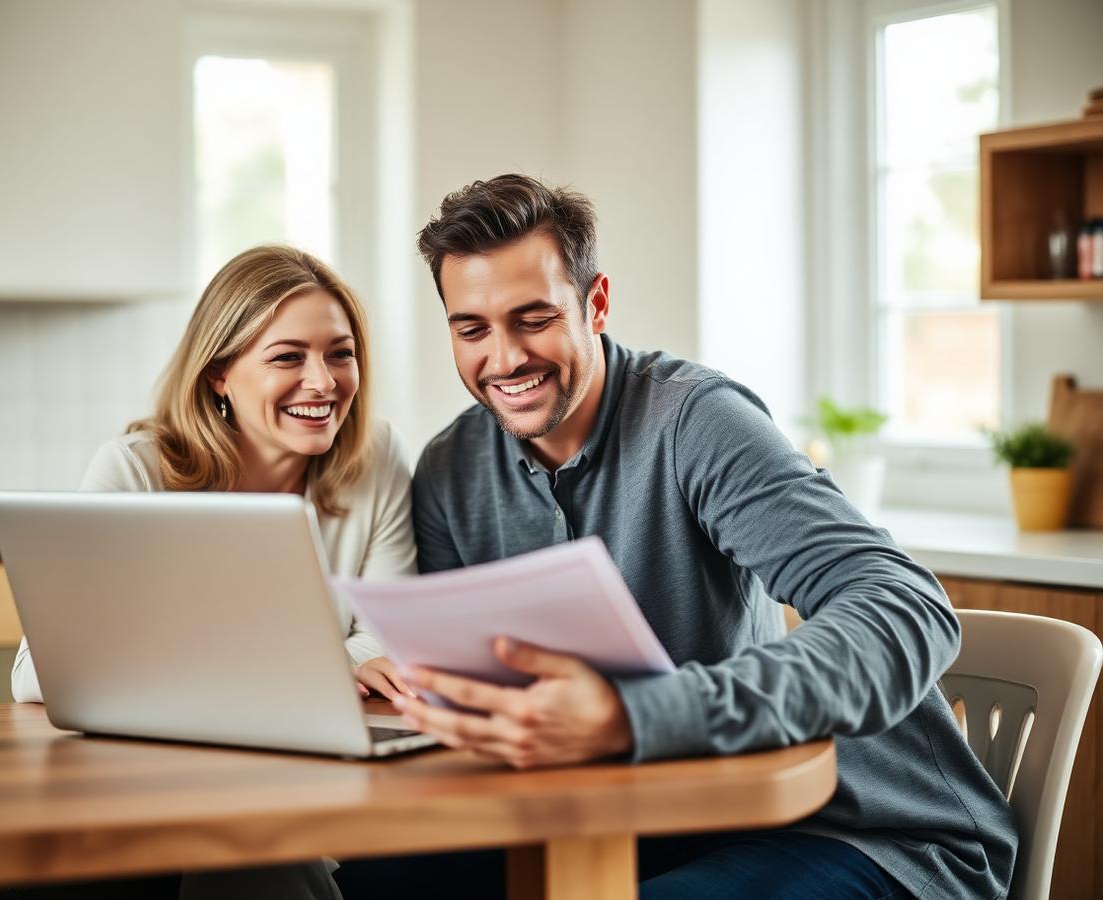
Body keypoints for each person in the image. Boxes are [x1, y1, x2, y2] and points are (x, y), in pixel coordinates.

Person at [340, 175, 1018, 899]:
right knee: (378, 879)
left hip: (859, 829)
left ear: (596, 304)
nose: (503, 359)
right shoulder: (452, 471)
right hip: (644, 822)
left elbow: (905, 605)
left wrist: (634, 715)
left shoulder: (696, 422)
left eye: (533, 318)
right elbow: (475, 691)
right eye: (472, 328)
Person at [3, 244, 416, 900]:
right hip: (151, 782)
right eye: (288, 357)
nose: (324, 381)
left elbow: (395, 634)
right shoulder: (137, 470)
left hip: (319, 773)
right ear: (219, 373)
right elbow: (40, 673)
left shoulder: (377, 458)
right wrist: (328, 664)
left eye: (340, 353)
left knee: (264, 854)